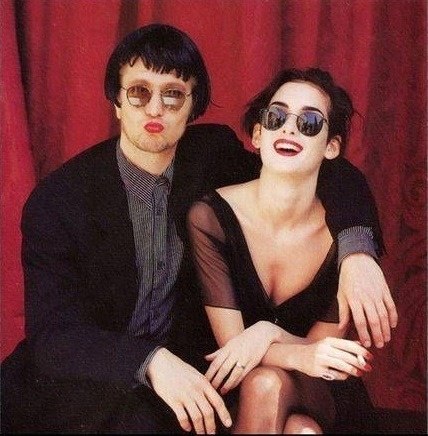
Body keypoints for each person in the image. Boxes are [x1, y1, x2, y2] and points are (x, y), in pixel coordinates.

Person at [1, 24, 396, 434]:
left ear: (193, 107)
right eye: (139, 92)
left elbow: (322, 171)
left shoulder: (213, 157)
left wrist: (357, 252)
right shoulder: (59, 200)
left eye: (173, 94)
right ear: (117, 102)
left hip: (193, 376)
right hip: (84, 383)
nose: (155, 109)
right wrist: (150, 361)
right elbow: (54, 336)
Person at [187, 67, 382, 433]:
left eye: (309, 122)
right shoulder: (211, 217)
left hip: (320, 390)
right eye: (277, 117)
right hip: (238, 387)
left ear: (331, 147)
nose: (289, 129)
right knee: (298, 429)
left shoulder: (344, 239)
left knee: (268, 385)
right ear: (258, 134)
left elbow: (322, 358)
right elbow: (234, 352)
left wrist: (266, 334)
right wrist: (276, 338)